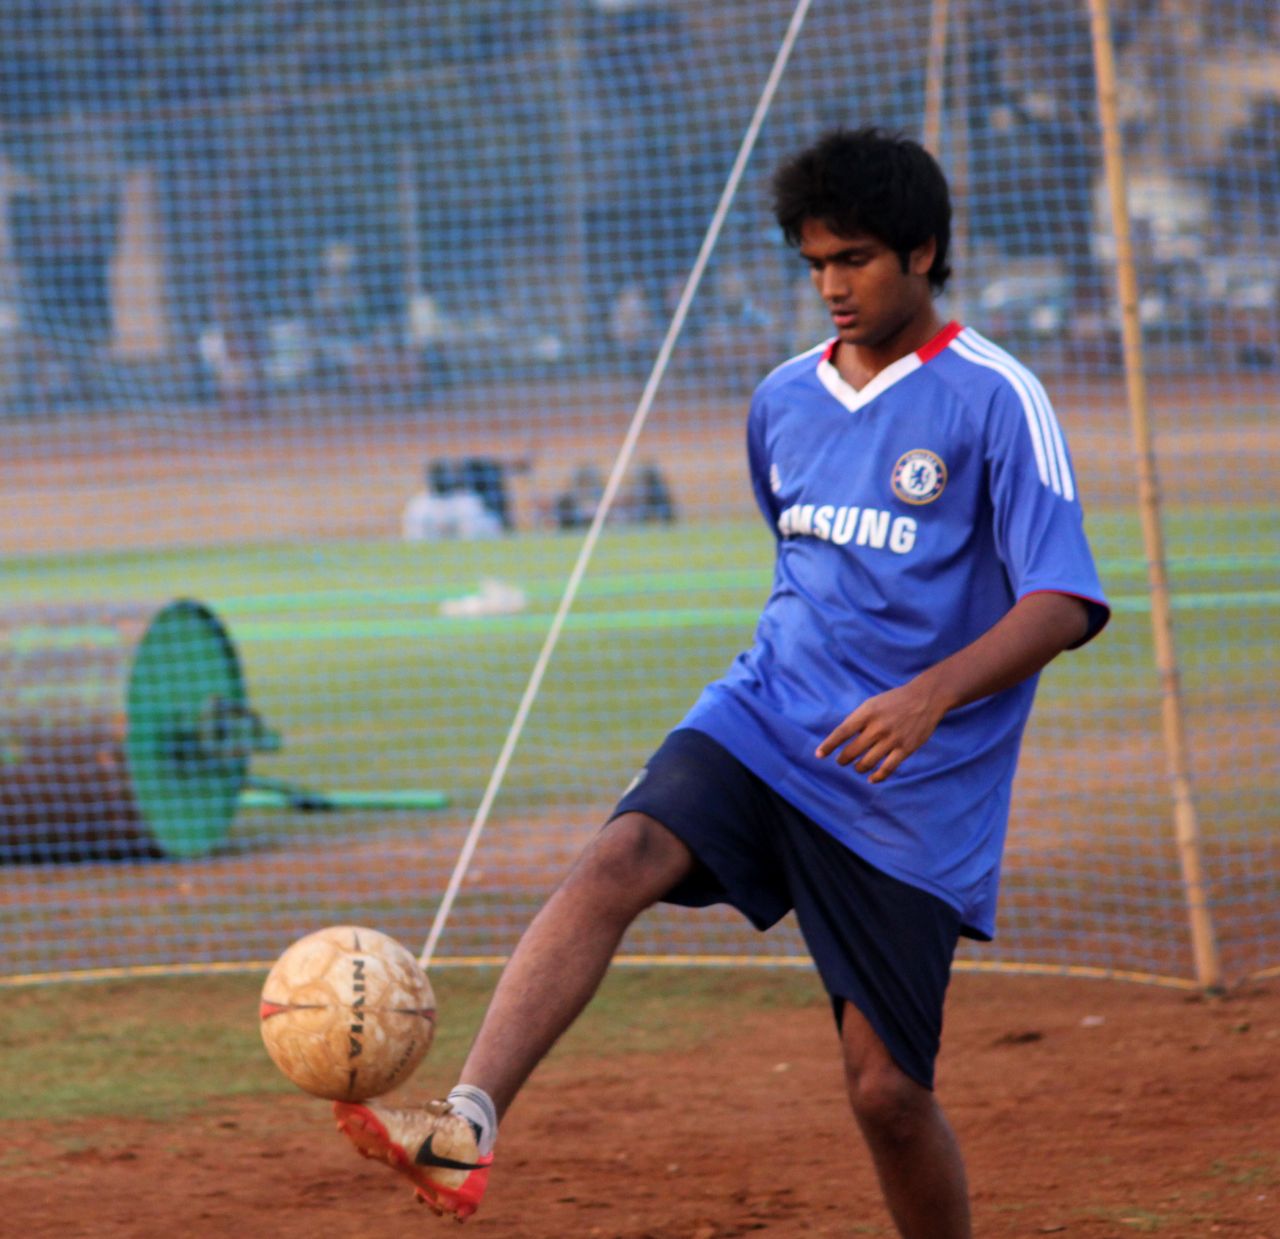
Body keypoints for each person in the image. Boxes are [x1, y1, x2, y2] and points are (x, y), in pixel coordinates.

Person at [331, 127, 1110, 1238]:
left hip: (910, 793)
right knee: (619, 856)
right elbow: (800, 564)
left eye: (854, 260)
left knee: (885, 1096)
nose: (830, 286)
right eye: (812, 264)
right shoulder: (780, 402)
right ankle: (465, 1122)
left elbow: (1062, 600)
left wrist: (925, 695)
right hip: (762, 720)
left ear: (924, 252)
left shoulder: (995, 398)